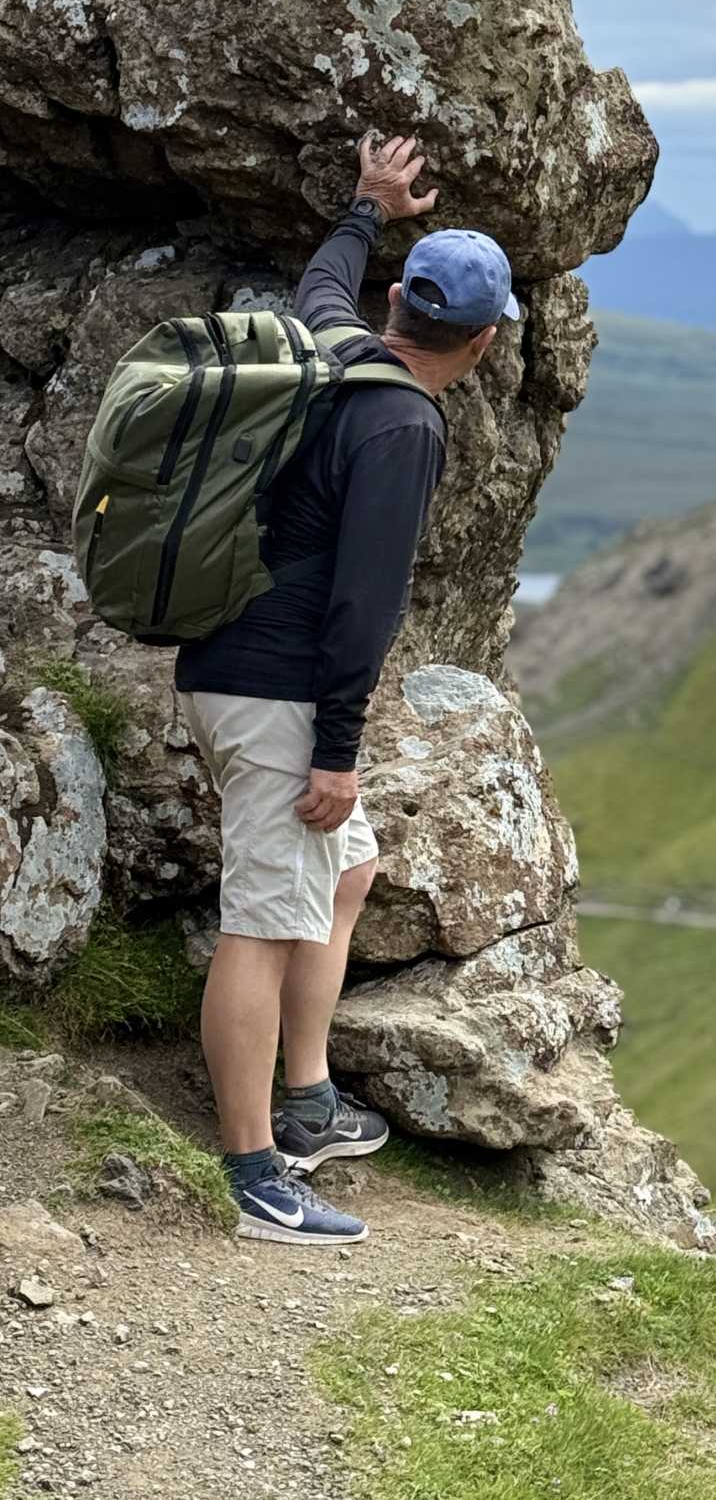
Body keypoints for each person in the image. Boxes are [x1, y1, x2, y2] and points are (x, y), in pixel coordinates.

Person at [174, 132, 522, 1245]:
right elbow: (363, 610)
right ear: (479, 340)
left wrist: (367, 206)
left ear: (399, 308)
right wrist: (335, 751)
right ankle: (253, 1175)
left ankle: (309, 1099)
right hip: (277, 694)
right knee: (262, 923)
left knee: (351, 865)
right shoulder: (403, 423)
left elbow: (321, 279)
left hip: (232, 665)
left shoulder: (335, 341)